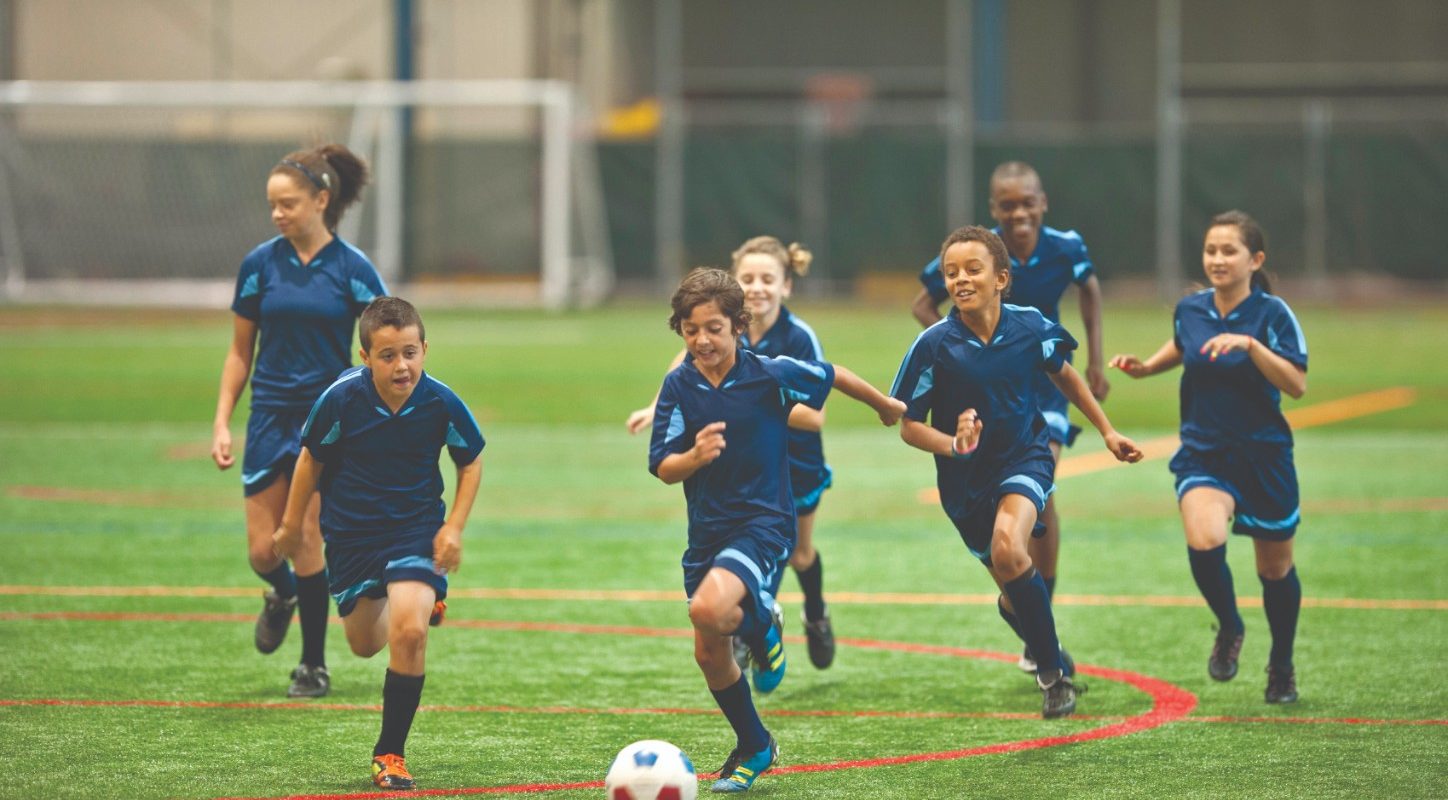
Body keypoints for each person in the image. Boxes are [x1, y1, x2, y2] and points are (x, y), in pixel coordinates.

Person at [648, 268, 904, 793]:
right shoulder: (678, 386)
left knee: (709, 609)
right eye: (691, 330)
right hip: (707, 533)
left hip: (763, 523)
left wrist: (884, 405)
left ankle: (763, 624)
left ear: (738, 326)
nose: (702, 340)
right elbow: (662, 466)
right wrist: (694, 457)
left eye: (714, 328)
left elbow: (833, 375)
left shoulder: (770, 373)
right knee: (708, 652)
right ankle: (756, 744)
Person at [892, 226, 1141, 719]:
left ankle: (1052, 678)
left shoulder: (1030, 327)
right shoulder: (933, 345)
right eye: (951, 273)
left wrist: (1108, 431)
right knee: (1012, 592)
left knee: (1009, 548)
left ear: (1001, 278)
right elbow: (909, 426)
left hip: (1025, 457)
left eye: (973, 269)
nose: (961, 279)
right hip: (965, 485)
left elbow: (1065, 375)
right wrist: (953, 444)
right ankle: (1048, 648)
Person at [273, 297, 485, 789]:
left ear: (425, 349)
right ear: (365, 357)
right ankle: (415, 601)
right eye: (388, 356)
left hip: (416, 530)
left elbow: (470, 460)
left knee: (409, 633)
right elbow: (310, 460)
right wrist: (291, 526)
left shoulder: (440, 401)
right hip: (352, 537)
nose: (401, 366)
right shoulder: (341, 399)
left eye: (410, 353)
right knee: (365, 644)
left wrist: (453, 527)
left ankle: (390, 753)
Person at [911, 163, 1108, 673]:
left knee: (1041, 489)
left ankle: (1041, 603)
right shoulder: (974, 251)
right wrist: (958, 352)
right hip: (986, 394)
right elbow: (922, 303)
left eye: (1027, 203)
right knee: (1006, 536)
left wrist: (1094, 360)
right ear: (994, 209)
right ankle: (1029, 612)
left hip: (1044, 385)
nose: (1018, 213)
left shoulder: (1066, 247)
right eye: (1008, 205)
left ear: (1043, 203)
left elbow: (1090, 289)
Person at [211, 143, 386, 698]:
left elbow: (386, 342)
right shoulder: (259, 266)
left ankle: (313, 665)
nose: (277, 213)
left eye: (287, 203)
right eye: (272, 204)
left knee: (307, 537)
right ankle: (282, 592)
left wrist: (381, 409)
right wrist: (222, 421)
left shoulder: (353, 269)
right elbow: (240, 352)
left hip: (326, 422)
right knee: (263, 552)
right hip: (268, 417)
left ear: (321, 201)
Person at [1110, 210, 1306, 704]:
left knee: (1275, 570)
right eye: (1210, 250)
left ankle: (1282, 665)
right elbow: (1184, 345)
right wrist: (1146, 367)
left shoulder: (1273, 314)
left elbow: (1296, 384)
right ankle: (1230, 624)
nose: (1217, 259)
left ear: (1254, 260)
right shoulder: (1190, 309)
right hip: (1204, 451)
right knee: (1204, 539)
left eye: (1229, 251)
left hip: (1264, 456)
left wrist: (1251, 345)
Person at [628, 236, 838, 673]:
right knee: (753, 557)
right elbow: (684, 371)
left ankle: (815, 615)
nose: (758, 287)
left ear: (786, 286)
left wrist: (755, 406)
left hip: (794, 463)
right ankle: (752, 631)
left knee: (799, 554)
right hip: (739, 463)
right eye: (748, 278)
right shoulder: (714, 330)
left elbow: (815, 417)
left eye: (768, 279)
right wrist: (655, 409)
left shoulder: (797, 338)